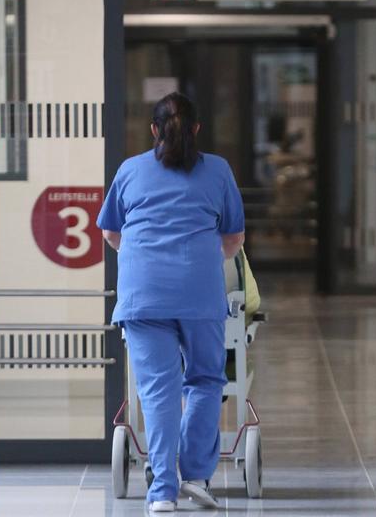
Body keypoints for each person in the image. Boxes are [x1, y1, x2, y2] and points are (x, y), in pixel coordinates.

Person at [97, 92, 245, 513]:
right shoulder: (217, 170)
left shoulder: (130, 170)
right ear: (197, 129)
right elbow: (233, 239)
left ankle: (162, 492)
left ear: (153, 130)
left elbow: (111, 233)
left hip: (142, 295)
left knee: (158, 391)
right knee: (204, 380)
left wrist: (145, 256)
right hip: (199, 291)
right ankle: (196, 476)